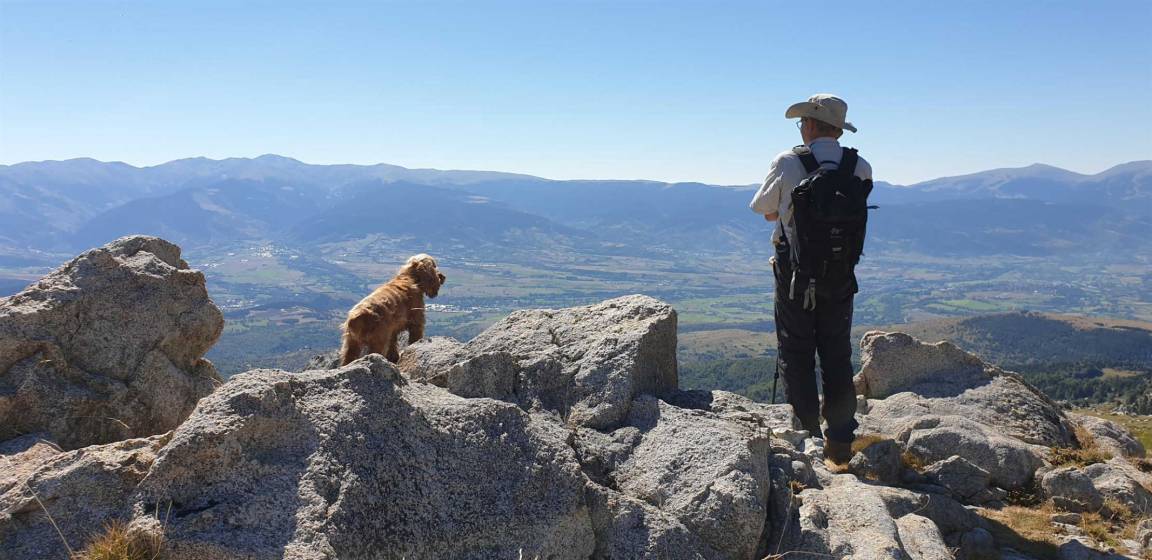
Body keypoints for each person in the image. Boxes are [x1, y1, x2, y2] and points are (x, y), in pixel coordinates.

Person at [749, 94, 873, 465]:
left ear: (813, 124)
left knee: (796, 353)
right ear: (838, 129)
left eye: (803, 121)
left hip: (795, 274)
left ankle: (807, 442)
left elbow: (763, 209)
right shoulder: (859, 166)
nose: (801, 127)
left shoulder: (788, 162)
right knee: (837, 353)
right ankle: (840, 443)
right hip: (841, 274)